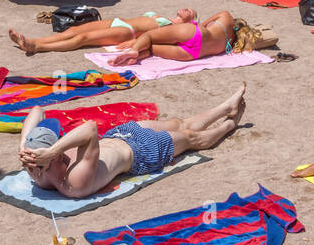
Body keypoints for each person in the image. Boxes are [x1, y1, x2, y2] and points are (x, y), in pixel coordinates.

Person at [17, 85, 246, 198]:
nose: (29, 170)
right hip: (142, 152)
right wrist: (51, 151)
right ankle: (229, 124)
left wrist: (23, 146)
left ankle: (226, 107)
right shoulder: (72, 183)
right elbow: (90, 130)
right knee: (189, 138)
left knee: (178, 122)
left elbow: (37, 110)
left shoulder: (41, 171)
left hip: (119, 135)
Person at [9, 9, 198, 56]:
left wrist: (134, 45)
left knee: (82, 39)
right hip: (118, 22)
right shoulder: (164, 17)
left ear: (191, 21)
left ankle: (37, 47)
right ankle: (34, 40)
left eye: (190, 12)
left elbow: (157, 40)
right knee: (73, 30)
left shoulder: (173, 29)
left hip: (127, 32)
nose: (185, 9)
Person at [108, 10, 241, 66]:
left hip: (196, 33)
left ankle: (135, 50)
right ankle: (136, 57)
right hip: (192, 54)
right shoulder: (226, 45)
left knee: (149, 36)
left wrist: (194, 26)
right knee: (152, 49)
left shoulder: (226, 16)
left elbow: (203, 25)